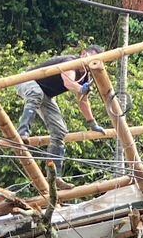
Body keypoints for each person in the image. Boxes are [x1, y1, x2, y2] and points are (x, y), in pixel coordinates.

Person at [17, 46, 103, 175]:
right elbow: (68, 83)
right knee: (36, 94)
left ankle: (54, 175)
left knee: (60, 131)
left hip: (45, 94)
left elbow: (83, 101)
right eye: (93, 58)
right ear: (84, 54)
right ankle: (22, 132)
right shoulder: (70, 62)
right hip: (27, 81)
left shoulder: (86, 77)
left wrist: (92, 123)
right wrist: (80, 89)